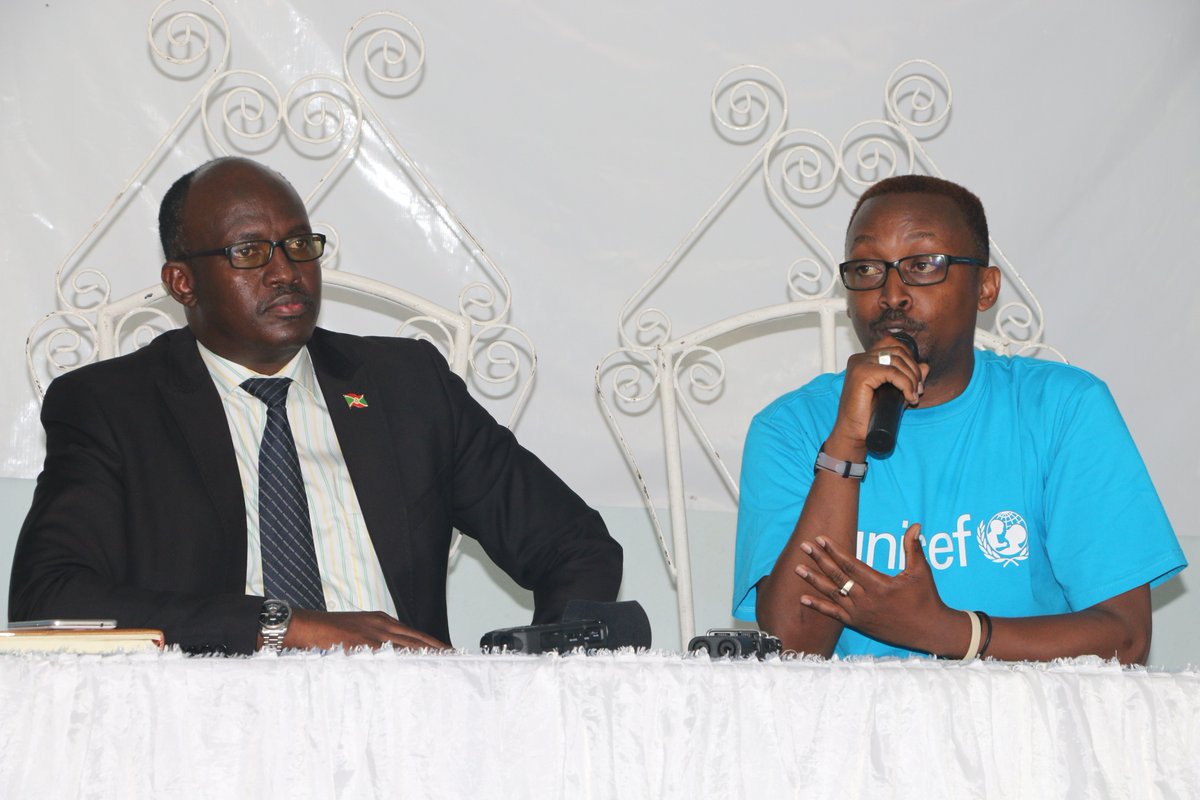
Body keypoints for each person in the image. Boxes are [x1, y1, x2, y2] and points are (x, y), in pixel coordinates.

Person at [10, 156, 622, 654]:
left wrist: (540, 680)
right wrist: (281, 627)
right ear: (183, 283)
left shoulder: (406, 387)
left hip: (407, 722)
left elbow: (575, 545)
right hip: (210, 726)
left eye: (299, 244)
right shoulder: (112, 407)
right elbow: (49, 598)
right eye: (250, 252)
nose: (286, 271)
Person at [732, 175, 1185, 664]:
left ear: (985, 288)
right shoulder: (789, 428)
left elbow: (1126, 640)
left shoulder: (1063, 409)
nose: (892, 294)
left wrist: (949, 632)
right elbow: (793, 653)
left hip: (1026, 712)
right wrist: (844, 445)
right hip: (850, 714)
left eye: (923, 264)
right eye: (867, 268)